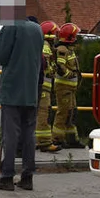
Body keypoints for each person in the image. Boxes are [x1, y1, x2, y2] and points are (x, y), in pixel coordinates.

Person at [0, 12, 43, 191]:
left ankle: (7, 176)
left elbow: (0, 57)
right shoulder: (38, 29)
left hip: (12, 90)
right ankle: (27, 177)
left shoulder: (10, 27)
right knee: (29, 134)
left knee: (10, 134)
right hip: (31, 90)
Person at [49, 22, 85, 150]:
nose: (77, 37)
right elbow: (60, 67)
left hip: (70, 88)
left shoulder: (69, 49)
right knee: (63, 113)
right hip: (64, 88)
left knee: (71, 113)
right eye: (75, 35)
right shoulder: (62, 50)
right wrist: (70, 75)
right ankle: (57, 139)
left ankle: (72, 139)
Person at [35, 20, 58, 150]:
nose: (56, 38)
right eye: (55, 34)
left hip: (44, 86)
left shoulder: (46, 46)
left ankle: (40, 141)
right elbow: (46, 67)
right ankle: (44, 142)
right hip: (44, 86)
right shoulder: (45, 47)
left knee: (42, 112)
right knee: (43, 113)